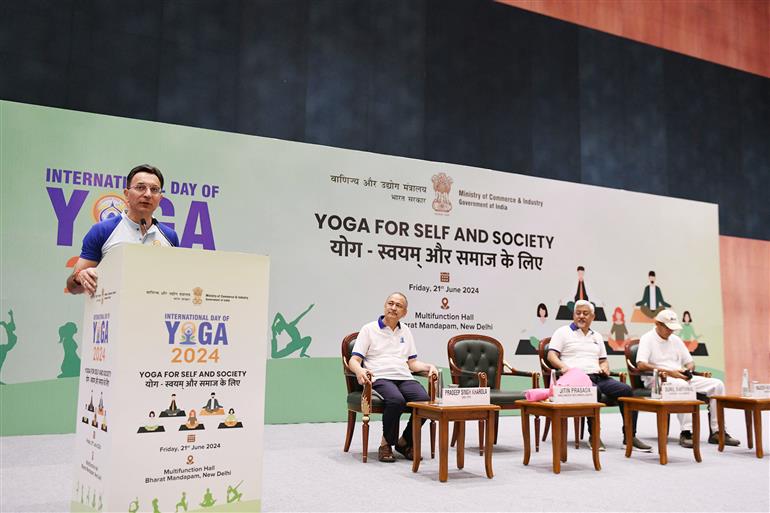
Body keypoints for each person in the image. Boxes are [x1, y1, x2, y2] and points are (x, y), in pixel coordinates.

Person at [548, 300, 651, 452]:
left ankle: (629, 437)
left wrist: (604, 368)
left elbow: (603, 360)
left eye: (585, 313)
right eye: (578, 313)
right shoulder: (562, 332)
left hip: (599, 376)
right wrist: (564, 367)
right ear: (573, 315)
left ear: (592, 317)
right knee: (594, 391)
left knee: (627, 391)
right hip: (577, 378)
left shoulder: (596, 336)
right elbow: (551, 355)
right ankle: (594, 436)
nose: (581, 316)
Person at [348, 293, 438, 463]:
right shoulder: (369, 329)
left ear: (404, 312)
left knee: (426, 402)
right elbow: (354, 360)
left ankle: (405, 442)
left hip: (404, 376)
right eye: (391, 303)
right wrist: (359, 371)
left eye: (399, 306)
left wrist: (428, 367)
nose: (394, 308)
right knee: (396, 400)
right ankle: (386, 444)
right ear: (384, 305)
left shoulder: (406, 331)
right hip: (380, 376)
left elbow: (412, 364)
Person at [66, 164, 179, 296]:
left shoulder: (170, 237)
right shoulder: (102, 230)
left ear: (160, 198)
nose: (148, 194)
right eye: (140, 187)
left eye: (154, 189)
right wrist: (80, 277)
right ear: (126, 194)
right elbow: (72, 287)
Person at [636, 309, 740, 448]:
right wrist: (670, 372)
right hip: (658, 379)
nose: (670, 331)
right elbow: (641, 364)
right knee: (682, 386)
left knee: (717, 384)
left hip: (680, 376)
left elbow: (690, 362)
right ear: (657, 324)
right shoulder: (647, 338)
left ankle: (718, 431)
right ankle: (687, 432)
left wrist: (688, 370)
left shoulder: (675, 339)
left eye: (673, 328)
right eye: (667, 328)